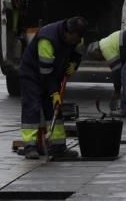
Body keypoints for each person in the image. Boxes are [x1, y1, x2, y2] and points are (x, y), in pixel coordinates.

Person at [18, 17, 87, 160]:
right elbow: (45, 74)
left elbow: (77, 53)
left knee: (54, 109)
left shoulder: (77, 38)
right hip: (33, 74)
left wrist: (74, 64)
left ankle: (58, 147)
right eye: (73, 39)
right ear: (68, 33)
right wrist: (54, 92)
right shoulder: (47, 40)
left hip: (53, 72)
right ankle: (30, 146)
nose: (75, 42)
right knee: (33, 107)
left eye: (77, 40)